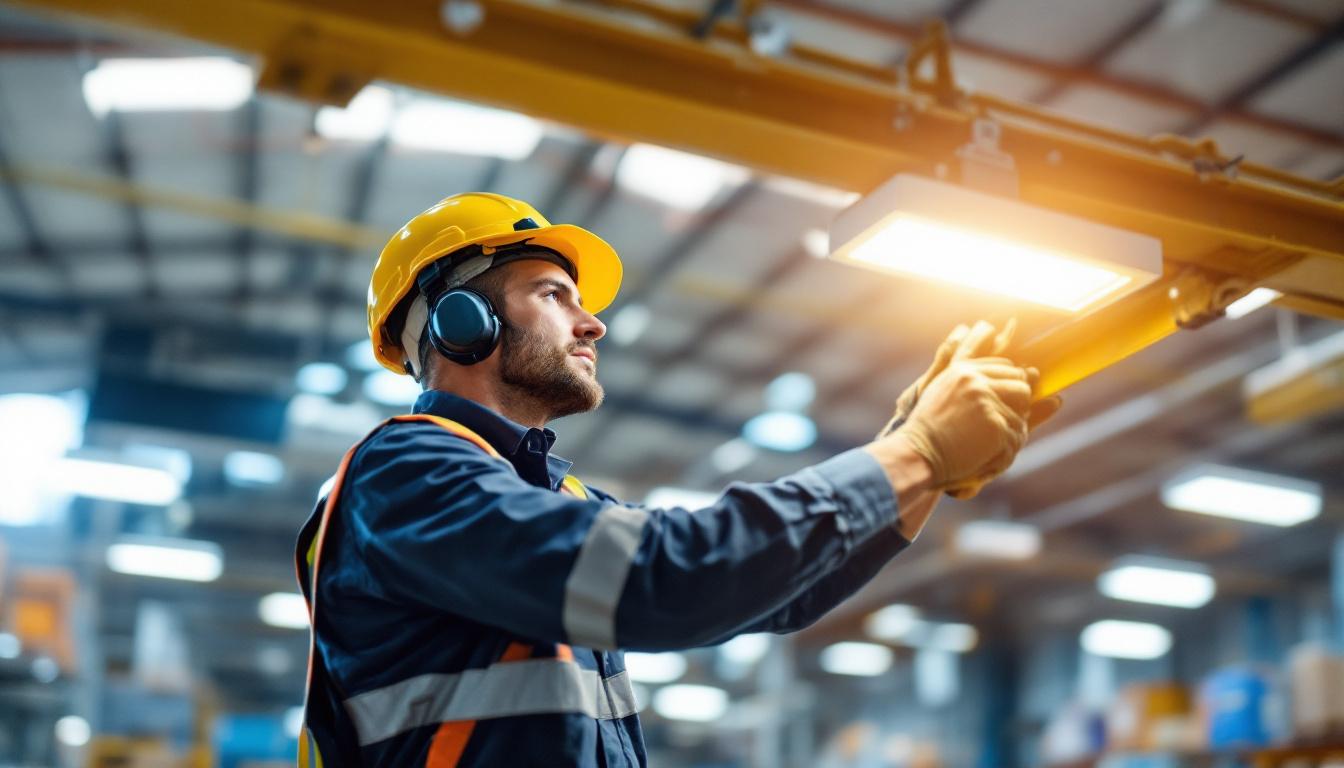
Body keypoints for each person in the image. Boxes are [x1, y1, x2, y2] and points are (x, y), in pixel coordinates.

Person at [294, 192, 1061, 767]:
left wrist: (913, 458)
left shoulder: (551, 500)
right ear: (462, 322)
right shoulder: (402, 476)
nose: (592, 324)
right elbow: (663, 578)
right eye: (555, 295)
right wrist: (920, 453)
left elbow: (776, 595)